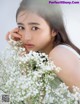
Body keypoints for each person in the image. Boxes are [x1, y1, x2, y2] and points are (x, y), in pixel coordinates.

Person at [6, 0, 80, 90]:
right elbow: (29, 99)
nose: (26, 37)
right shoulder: (41, 59)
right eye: (21, 27)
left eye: (35, 28)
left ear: (54, 30)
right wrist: (21, 52)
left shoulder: (59, 54)